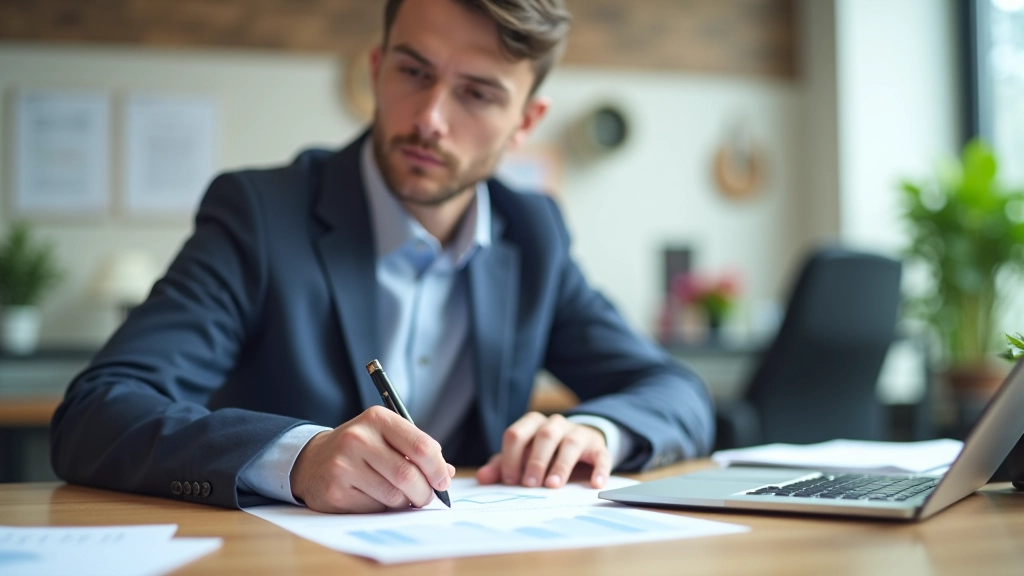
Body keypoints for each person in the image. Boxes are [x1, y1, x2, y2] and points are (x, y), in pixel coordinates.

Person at [50, 0, 714, 514]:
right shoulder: (260, 215)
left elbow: (677, 392)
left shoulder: (532, 234)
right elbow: (96, 412)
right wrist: (298, 458)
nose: (430, 119)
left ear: (526, 122)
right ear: (376, 67)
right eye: (414, 72)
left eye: (477, 93)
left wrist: (596, 432)